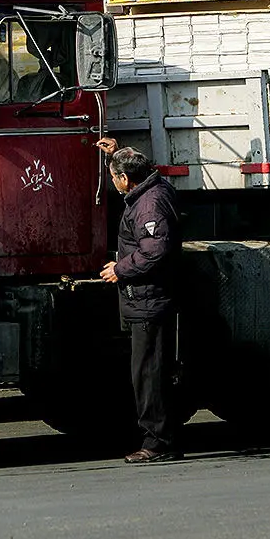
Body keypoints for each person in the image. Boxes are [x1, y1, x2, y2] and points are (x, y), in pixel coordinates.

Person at [97, 136, 183, 464]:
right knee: (150, 371)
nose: (112, 182)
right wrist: (116, 153)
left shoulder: (149, 204)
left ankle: (158, 443)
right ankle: (162, 439)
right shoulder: (149, 189)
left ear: (125, 178)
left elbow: (154, 250)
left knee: (149, 374)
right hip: (147, 298)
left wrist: (119, 269)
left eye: (114, 177)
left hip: (149, 299)